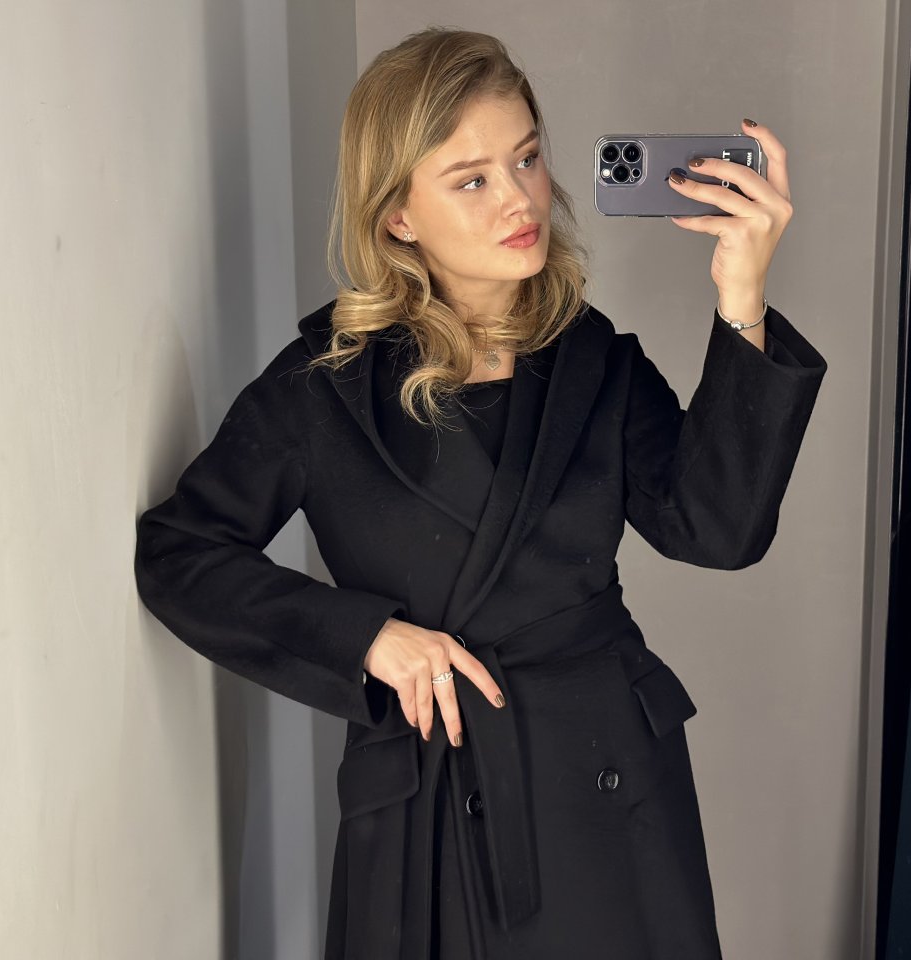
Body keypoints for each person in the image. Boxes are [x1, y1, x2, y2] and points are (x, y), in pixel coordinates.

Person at [134, 26, 826, 960]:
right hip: (429, 799)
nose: (519, 198)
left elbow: (717, 530)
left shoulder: (593, 360)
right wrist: (367, 638)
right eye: (472, 180)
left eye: (527, 159)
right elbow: (179, 554)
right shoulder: (323, 386)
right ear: (398, 217)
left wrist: (743, 300)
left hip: (608, 795)